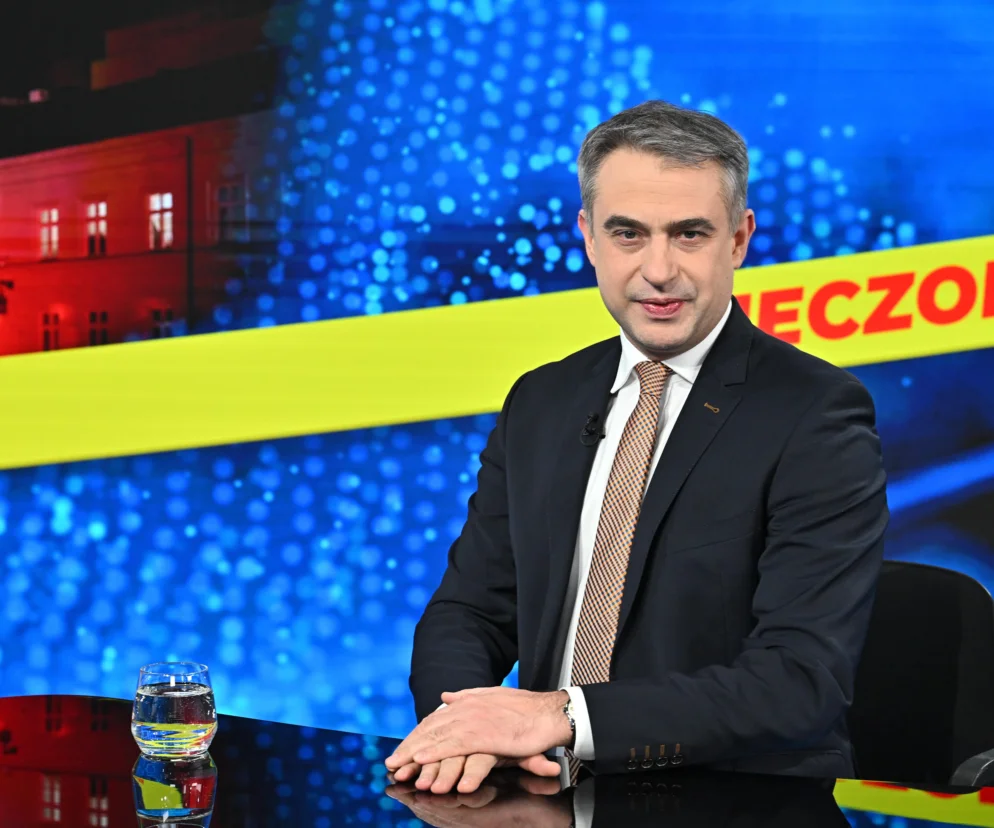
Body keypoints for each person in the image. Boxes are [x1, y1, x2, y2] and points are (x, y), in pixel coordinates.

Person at [384, 99, 889, 795]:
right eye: (628, 234)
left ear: (738, 240)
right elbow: (468, 612)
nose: (658, 270)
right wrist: (465, 728)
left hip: (726, 799)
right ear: (589, 238)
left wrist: (562, 717)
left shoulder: (814, 413)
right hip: (542, 790)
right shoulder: (542, 399)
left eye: (689, 234)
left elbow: (799, 680)